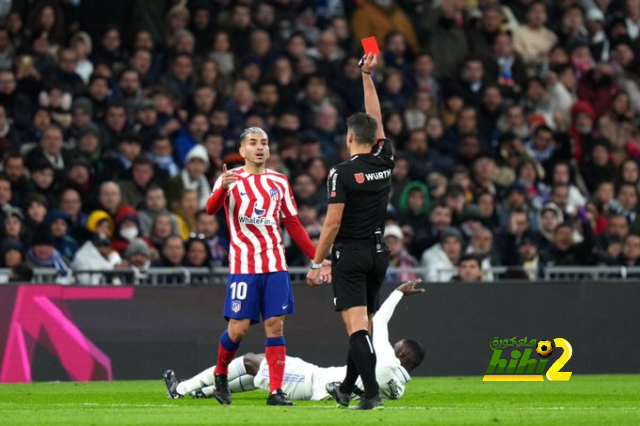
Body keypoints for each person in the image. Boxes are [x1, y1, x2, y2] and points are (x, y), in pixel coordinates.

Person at [204, 127, 329, 406]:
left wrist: (316, 258)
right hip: (243, 266)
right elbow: (210, 210)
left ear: (269, 150)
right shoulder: (229, 179)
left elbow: (293, 223)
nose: (259, 147)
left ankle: (275, 391)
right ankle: (220, 374)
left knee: (275, 327)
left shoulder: (279, 181)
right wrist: (222, 190)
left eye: (264, 143)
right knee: (238, 330)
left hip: (275, 264)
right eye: (253, 143)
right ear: (242, 151)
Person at [163, 279, 425, 401]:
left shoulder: (388, 363)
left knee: (254, 361)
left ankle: (180, 390)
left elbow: (377, 321)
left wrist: (398, 293)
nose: (390, 347)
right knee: (260, 378)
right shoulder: (398, 390)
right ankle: (204, 392)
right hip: (317, 380)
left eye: (395, 347)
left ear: (402, 355)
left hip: (314, 384)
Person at [306, 53, 394, 410]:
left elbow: (332, 223)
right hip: (378, 253)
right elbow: (376, 117)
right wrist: (367, 77)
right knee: (363, 325)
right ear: (374, 138)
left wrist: (316, 262)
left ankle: (370, 394)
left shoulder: (341, 173)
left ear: (349, 137)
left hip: (351, 255)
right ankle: (346, 387)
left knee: (357, 328)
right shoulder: (385, 158)